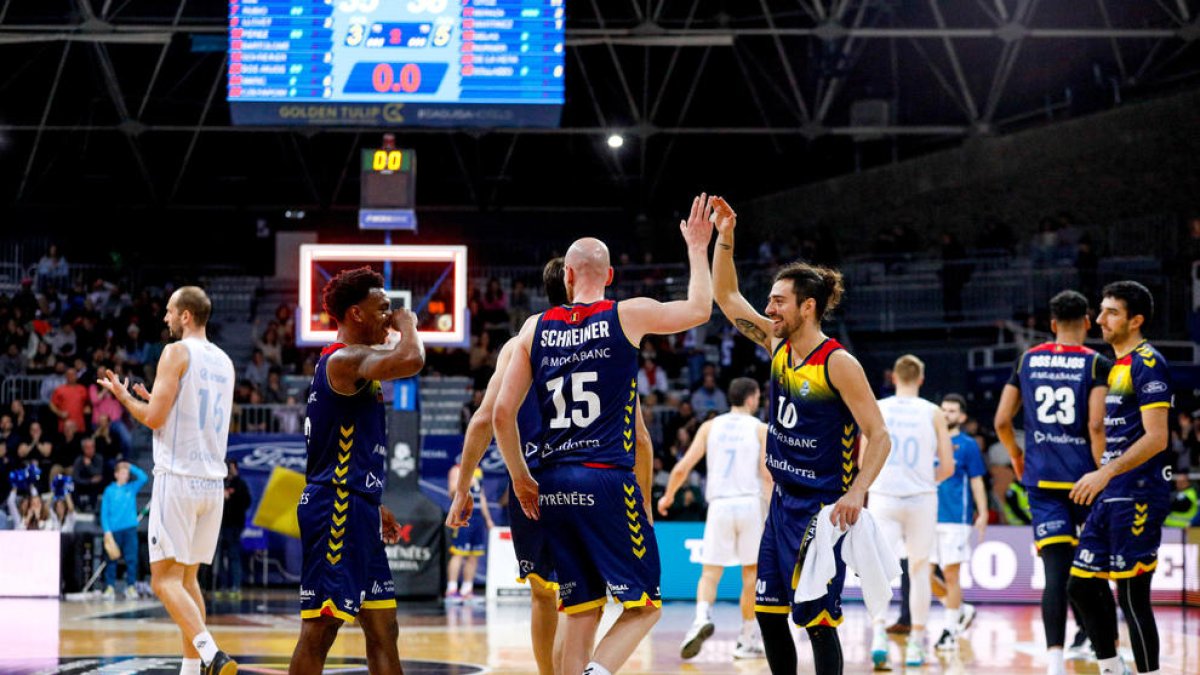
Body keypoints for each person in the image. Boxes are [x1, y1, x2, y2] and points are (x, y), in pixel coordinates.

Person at [492, 194, 717, 675]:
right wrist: (697, 247)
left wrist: (520, 478)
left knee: (580, 610)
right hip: (605, 479)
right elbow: (700, 309)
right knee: (645, 606)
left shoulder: (533, 328)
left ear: (566, 276)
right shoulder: (626, 314)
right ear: (609, 277)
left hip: (550, 483)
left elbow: (499, 415)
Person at [447, 257, 657, 675]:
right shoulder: (608, 346)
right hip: (589, 479)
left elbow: (485, 419)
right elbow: (642, 441)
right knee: (583, 604)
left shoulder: (518, 345)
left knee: (546, 596)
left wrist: (463, 486)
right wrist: (643, 502)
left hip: (531, 486)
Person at [709, 196, 892, 675]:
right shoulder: (776, 345)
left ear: (807, 307)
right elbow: (727, 298)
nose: (768, 307)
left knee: (816, 619)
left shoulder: (838, 363)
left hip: (822, 508)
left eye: (778, 300)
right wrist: (724, 236)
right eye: (769, 299)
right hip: (782, 505)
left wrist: (857, 492)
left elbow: (879, 434)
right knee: (768, 616)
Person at [288, 267, 424, 675]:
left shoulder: (355, 365)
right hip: (336, 509)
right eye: (381, 308)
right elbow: (412, 358)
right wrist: (409, 324)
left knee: (384, 628)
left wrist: (370, 499)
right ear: (355, 314)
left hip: (355, 504)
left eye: (391, 309)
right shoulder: (344, 360)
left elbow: (346, 444)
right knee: (322, 628)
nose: (389, 314)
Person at [98, 285, 238, 675]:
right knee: (188, 580)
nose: (165, 318)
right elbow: (182, 410)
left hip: (178, 479)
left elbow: (154, 419)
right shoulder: (225, 361)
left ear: (186, 316)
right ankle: (191, 671)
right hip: (212, 482)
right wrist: (156, 397)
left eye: (169, 312)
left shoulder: (175, 352)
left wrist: (125, 398)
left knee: (163, 581)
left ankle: (212, 654)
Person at [994, 289, 1111, 675]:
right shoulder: (1096, 363)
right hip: (1085, 480)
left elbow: (1001, 421)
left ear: (1052, 323)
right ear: (1088, 321)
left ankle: (1055, 662)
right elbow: (1096, 425)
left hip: (1042, 482)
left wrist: (1016, 456)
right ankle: (1103, 651)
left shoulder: (1027, 359)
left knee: (1056, 574)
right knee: (1091, 572)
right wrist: (1102, 470)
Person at [1067, 281, 1174, 675]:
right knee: (1079, 585)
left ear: (1136, 320)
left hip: (1140, 493)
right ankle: (1112, 667)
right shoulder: (1117, 367)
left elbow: (1158, 437)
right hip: (1113, 491)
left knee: (1131, 596)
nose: (1099, 319)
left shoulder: (1148, 362)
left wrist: (1105, 471)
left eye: (1111, 312)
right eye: (1101, 310)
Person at [657, 377, 771, 661]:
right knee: (751, 575)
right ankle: (746, 639)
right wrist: (772, 511)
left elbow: (683, 467)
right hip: (749, 504)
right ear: (750, 398)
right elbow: (767, 475)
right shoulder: (760, 429)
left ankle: (700, 618)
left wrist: (668, 496)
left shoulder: (710, 427)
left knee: (710, 573)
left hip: (719, 505)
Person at [867, 354, 954, 669]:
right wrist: (927, 480)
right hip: (920, 498)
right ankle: (916, 643)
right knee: (919, 572)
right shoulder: (933, 412)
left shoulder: (879, 406)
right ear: (921, 378)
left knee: (879, 572)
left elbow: (865, 457)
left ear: (894, 378)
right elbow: (947, 465)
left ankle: (878, 635)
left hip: (883, 496)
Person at [931, 394, 987, 652]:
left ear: (962, 417)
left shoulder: (967, 445)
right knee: (923, 575)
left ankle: (950, 631)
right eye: (943, 409)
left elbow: (976, 480)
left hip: (956, 519)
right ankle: (961, 609)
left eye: (952, 410)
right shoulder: (929, 440)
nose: (946, 414)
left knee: (952, 575)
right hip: (927, 517)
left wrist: (983, 513)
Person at [445, 461, 494, 603]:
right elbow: (452, 492)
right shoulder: (456, 469)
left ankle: (467, 589)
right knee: (458, 553)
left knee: (474, 554)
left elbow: (482, 496)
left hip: (478, 517)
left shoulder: (479, 471)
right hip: (462, 516)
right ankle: (452, 589)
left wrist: (488, 519)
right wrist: (467, 483)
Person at [101, 460, 148, 599]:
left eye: (126, 473)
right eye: (122, 473)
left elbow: (144, 478)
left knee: (131, 558)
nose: (125, 476)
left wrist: (130, 466)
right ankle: (110, 587)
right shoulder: (109, 491)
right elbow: (104, 513)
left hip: (130, 529)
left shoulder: (131, 488)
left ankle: (131, 586)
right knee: (112, 558)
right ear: (116, 474)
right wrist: (107, 530)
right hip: (114, 530)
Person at [217, 459, 251, 597]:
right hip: (220, 525)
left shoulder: (240, 484)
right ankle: (222, 586)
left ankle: (235, 586)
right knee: (219, 558)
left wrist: (231, 498)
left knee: (233, 555)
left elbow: (246, 502)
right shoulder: (220, 482)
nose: (228, 471)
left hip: (234, 526)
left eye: (230, 468)